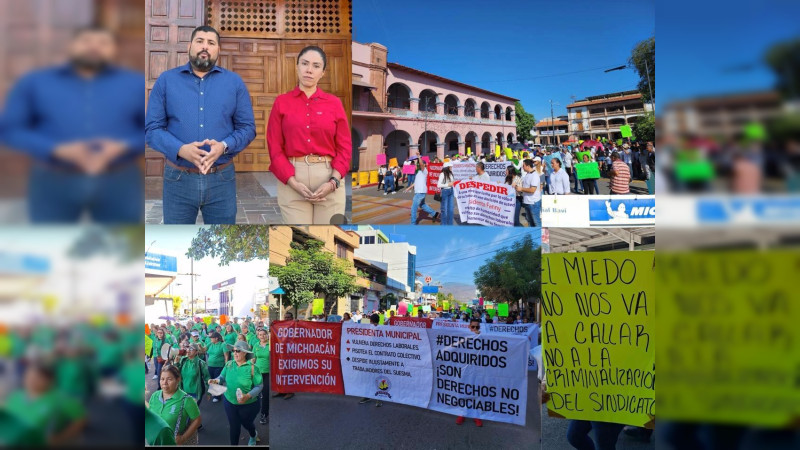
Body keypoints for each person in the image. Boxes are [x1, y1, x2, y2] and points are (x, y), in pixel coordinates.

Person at [0, 26, 144, 223]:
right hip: (53, 180)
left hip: (119, 180)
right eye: (86, 41)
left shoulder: (135, 84)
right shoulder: (35, 82)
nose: (94, 47)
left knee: (122, 247)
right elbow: (10, 129)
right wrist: (56, 149)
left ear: (114, 50)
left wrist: (123, 147)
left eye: (103, 43)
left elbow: (153, 128)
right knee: (51, 246)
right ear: (71, 45)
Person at [145, 25, 256, 224]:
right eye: (200, 41)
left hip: (221, 179)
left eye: (211, 43)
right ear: (189, 46)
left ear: (218, 50)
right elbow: (152, 129)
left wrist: (223, 146)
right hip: (178, 178)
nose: (205, 47)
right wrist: (180, 149)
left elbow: (247, 128)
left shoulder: (234, 83)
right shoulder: (166, 81)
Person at [267, 45, 351, 224]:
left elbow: (344, 147)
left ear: (323, 72)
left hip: (329, 176)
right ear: (297, 66)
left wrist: (333, 182)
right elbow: (274, 147)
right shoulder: (281, 103)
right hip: (293, 177)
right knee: (299, 235)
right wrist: (291, 181)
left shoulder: (334, 104)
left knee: (329, 234)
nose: (309, 70)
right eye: (305, 63)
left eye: (316, 66)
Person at [2, 361, 88, 446]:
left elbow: (81, 420)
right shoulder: (15, 396)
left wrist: (61, 438)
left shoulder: (61, 399)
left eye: (36, 378)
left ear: (50, 380)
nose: (30, 380)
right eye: (27, 376)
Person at [209, 341, 263, 446]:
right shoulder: (229, 364)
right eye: (233, 351)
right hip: (229, 402)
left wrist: (247, 396)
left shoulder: (252, 368)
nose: (235, 353)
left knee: (246, 423)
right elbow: (221, 378)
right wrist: (214, 381)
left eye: (238, 351)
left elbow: (259, 386)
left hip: (249, 404)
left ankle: (253, 435)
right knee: (234, 426)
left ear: (245, 353)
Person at [147, 364, 202, 446]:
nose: (164, 383)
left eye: (169, 379)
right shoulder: (155, 395)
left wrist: (183, 438)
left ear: (178, 379)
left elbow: (197, 420)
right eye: (162, 379)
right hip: (154, 440)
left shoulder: (186, 400)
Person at [455, 319, 483, 427]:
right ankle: (462, 413)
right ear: (469, 327)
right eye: (473, 327)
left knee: (476, 391)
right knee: (462, 391)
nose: (475, 329)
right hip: (464, 369)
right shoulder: (463, 336)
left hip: (477, 369)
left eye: (477, 327)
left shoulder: (482, 337)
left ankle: (476, 415)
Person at [358, 314, 384, 407]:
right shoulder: (369, 328)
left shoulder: (381, 329)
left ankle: (379, 398)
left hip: (377, 357)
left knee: (377, 377)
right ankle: (368, 395)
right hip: (369, 357)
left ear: (371, 320)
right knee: (369, 376)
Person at [404, 159, 439, 224]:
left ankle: (413, 224)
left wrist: (418, 156)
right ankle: (434, 214)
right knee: (422, 205)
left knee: (413, 208)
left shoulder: (424, 171)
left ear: (424, 164)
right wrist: (409, 188)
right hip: (419, 192)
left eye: (420, 163)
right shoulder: (419, 172)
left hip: (420, 192)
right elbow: (415, 182)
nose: (419, 164)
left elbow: (421, 164)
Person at [273, 312, 296, 400]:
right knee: (281, 372)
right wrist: (273, 325)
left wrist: (296, 322)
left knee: (289, 372)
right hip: (281, 353)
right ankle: (281, 390)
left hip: (291, 353)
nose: (286, 319)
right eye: (285, 317)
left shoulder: (295, 324)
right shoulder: (281, 325)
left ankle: (290, 392)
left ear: (292, 318)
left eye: (288, 317)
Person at [251, 328, 270, 425]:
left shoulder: (271, 345)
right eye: (260, 335)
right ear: (258, 336)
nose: (262, 336)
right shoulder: (256, 345)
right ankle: (253, 413)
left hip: (268, 373)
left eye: (264, 334)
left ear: (267, 335)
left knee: (266, 394)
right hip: (258, 373)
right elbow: (253, 359)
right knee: (256, 394)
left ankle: (264, 414)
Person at [516, 158, 541, 227]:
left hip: (533, 203)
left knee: (536, 222)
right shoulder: (527, 174)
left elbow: (532, 190)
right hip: (527, 202)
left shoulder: (534, 175)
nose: (522, 167)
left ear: (528, 166)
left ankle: (542, 237)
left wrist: (521, 189)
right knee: (530, 222)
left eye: (523, 165)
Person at [205, 332, 227, 403]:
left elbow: (226, 356)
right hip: (210, 365)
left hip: (219, 365)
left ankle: (217, 397)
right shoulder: (210, 344)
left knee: (217, 380)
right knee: (212, 380)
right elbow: (203, 350)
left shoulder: (223, 344)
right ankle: (215, 393)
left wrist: (226, 366)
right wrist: (199, 346)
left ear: (216, 338)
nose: (210, 339)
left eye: (212, 338)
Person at [437, 161, 455, 225]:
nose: (451, 167)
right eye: (450, 166)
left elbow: (452, 182)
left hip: (451, 191)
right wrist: (448, 185)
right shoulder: (442, 174)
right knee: (444, 209)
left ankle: (450, 225)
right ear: (447, 167)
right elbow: (438, 185)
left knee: (451, 209)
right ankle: (444, 225)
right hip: (445, 191)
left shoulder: (450, 173)